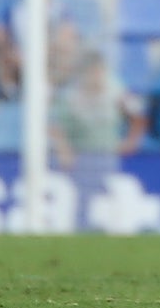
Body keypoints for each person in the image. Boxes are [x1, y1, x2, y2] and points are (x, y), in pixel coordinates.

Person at [49, 51, 147, 230]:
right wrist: (64, 149)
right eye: (92, 71)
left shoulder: (117, 91)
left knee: (106, 201)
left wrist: (131, 142)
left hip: (106, 156)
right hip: (80, 157)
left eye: (100, 71)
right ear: (84, 73)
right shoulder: (71, 96)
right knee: (82, 204)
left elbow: (138, 117)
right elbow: (55, 126)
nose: (96, 76)